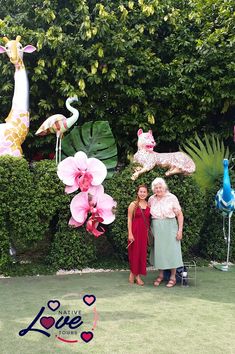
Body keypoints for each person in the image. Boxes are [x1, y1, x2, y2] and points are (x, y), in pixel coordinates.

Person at [148, 177, 183, 288]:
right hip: (156, 227)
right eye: (156, 188)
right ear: (154, 189)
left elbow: (179, 215)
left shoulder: (172, 197)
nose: (158, 189)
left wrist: (180, 230)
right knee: (160, 252)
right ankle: (161, 275)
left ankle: (173, 276)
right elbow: (147, 214)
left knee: (172, 251)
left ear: (164, 187)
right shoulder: (151, 199)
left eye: (160, 187)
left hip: (170, 226)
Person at [127, 184, 150, 286]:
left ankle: (133, 273)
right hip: (135, 232)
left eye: (144, 192)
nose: (142, 193)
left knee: (141, 254)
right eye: (140, 191)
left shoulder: (149, 205)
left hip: (144, 233)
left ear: (147, 193)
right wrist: (130, 233)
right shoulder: (133, 204)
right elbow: (129, 219)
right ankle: (137, 276)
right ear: (137, 192)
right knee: (134, 253)